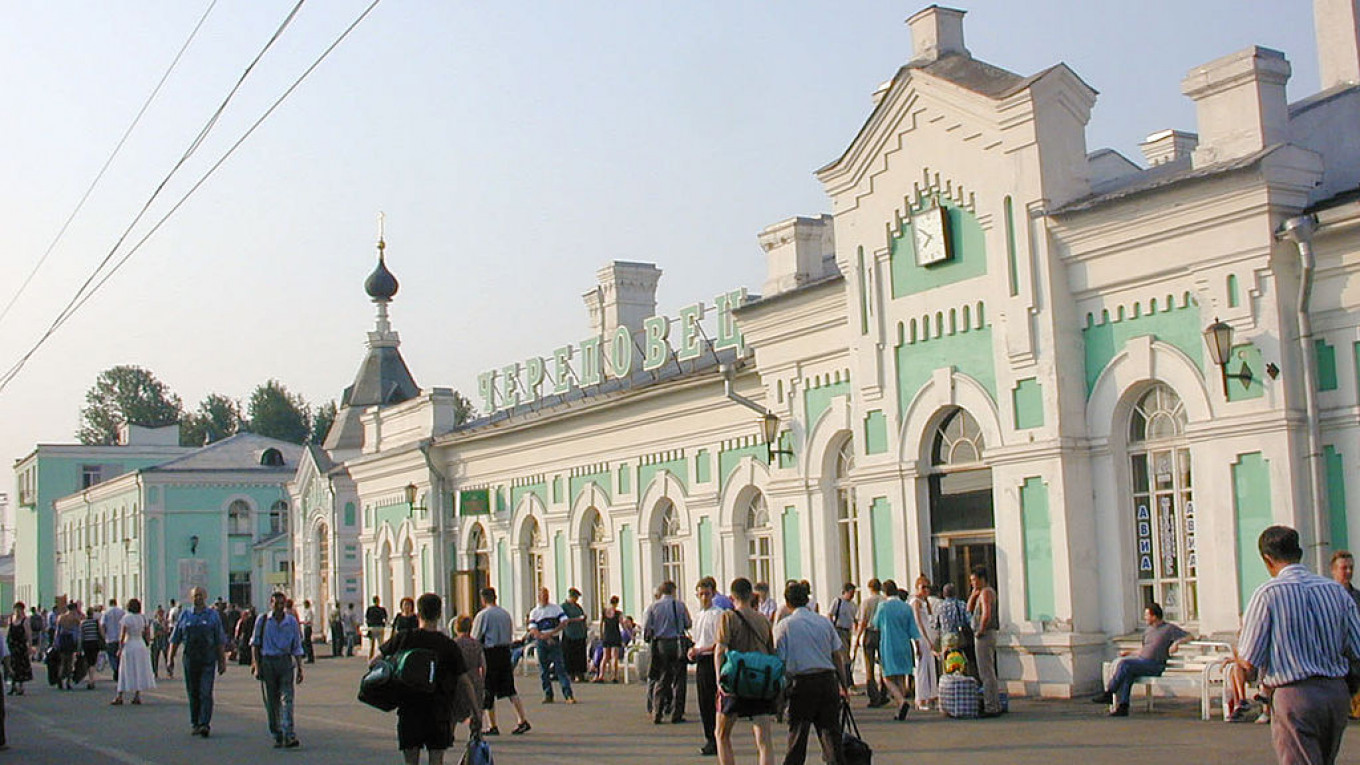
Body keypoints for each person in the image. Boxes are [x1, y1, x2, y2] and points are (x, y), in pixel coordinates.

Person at [1238, 525, 1360, 764]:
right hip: (1335, 694)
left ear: (1268, 559)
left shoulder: (1267, 594)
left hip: (1294, 694)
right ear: (1299, 553)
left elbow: (1249, 660)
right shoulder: (1335, 591)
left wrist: (1240, 669)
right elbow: (1357, 648)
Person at [378, 593, 481, 765]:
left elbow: (374, 661)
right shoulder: (448, 644)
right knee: (436, 760)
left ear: (418, 614)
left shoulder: (404, 638)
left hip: (409, 709)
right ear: (439, 615)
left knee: (411, 761)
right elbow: (464, 680)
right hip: (438, 711)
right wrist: (476, 712)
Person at [774, 580, 847, 765]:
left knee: (798, 736)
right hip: (827, 680)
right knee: (831, 735)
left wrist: (780, 695)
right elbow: (837, 655)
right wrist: (843, 684)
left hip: (801, 683)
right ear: (807, 600)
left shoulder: (785, 626)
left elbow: (780, 662)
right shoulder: (824, 622)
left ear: (788, 603)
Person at [714, 577, 775, 765]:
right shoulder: (763, 620)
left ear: (732, 597)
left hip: (734, 679)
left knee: (722, 734)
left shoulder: (728, 617)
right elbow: (771, 650)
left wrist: (719, 680)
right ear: (751, 595)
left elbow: (720, 650)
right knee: (764, 739)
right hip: (759, 680)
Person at [1092, 602, 1190, 716]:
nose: (1145, 618)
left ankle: (1109, 693)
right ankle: (1123, 706)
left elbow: (1190, 636)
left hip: (1155, 665)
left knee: (1125, 665)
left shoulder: (1169, 629)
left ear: (1154, 616)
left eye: (1147, 615)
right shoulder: (1148, 631)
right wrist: (1129, 653)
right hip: (1142, 662)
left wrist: (1177, 643)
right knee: (1128, 673)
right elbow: (1145, 649)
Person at [167, 586, 228, 737]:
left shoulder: (213, 616)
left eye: (200, 595)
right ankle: (195, 722)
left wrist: (222, 661)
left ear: (205, 596)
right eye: (195, 596)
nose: (198, 598)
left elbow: (219, 640)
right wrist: (170, 659)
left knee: (205, 692)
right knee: (193, 692)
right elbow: (175, 639)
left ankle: (204, 724)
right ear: (191, 598)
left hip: (208, 659)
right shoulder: (185, 615)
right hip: (190, 659)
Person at [471, 587, 531, 736]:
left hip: (490, 654)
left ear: (483, 599)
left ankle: (492, 725)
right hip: (505, 652)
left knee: (488, 689)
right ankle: (522, 719)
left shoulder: (483, 615)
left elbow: (476, 637)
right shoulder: (505, 614)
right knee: (510, 688)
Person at [251, 591, 305, 748]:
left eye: (282, 604)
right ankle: (276, 732)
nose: (279, 607)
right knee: (272, 700)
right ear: (271, 604)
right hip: (268, 662)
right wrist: (256, 666)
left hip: (285, 662)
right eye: (276, 603)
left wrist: (300, 668)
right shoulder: (263, 621)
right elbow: (255, 644)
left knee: (287, 698)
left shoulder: (291, 622)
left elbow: (297, 646)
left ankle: (289, 733)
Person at [643, 580, 692, 724]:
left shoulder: (653, 607)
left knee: (661, 678)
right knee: (679, 680)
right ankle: (677, 713)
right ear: (673, 590)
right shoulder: (680, 605)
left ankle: (657, 712)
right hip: (677, 643)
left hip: (660, 644)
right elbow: (688, 624)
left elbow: (647, 628)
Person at [871, 580, 919, 721]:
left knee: (887, 677)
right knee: (901, 676)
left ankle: (900, 700)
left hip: (889, 644)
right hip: (904, 643)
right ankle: (900, 708)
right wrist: (918, 645)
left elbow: (875, 624)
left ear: (885, 592)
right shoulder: (906, 607)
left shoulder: (883, 606)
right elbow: (913, 629)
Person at [691, 577, 723, 757]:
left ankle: (715, 738)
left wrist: (701, 648)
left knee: (713, 700)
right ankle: (709, 736)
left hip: (712, 659)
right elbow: (698, 639)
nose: (704, 597)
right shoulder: (699, 615)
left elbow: (718, 642)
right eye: (701, 594)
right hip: (701, 659)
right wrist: (693, 649)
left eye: (707, 594)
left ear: (713, 594)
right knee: (703, 701)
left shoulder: (717, 614)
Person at [527, 586, 576, 704]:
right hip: (541, 641)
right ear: (538, 597)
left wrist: (552, 633)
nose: (545, 598)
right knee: (544, 669)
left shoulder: (555, 609)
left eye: (546, 595)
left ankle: (568, 694)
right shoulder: (535, 612)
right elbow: (533, 629)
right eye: (542, 596)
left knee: (560, 668)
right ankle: (548, 694)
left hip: (554, 640)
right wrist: (544, 637)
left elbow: (564, 621)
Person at [1329, 550, 1360, 719]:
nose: (1348, 572)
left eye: (1351, 568)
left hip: (1354, 652)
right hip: (1333, 651)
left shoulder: (1358, 597)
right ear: (1333, 570)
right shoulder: (1325, 596)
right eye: (1344, 568)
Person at [967, 567, 1001, 716]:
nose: (973, 584)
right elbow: (969, 609)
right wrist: (973, 596)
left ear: (982, 579)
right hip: (986, 633)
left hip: (985, 634)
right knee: (987, 670)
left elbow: (986, 613)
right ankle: (993, 703)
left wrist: (981, 629)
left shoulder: (986, 592)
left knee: (986, 672)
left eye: (974, 580)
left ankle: (991, 705)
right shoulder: (981, 593)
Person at [111, 598, 155, 706]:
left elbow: (122, 635)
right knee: (139, 669)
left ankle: (120, 695)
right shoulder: (143, 618)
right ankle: (137, 695)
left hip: (130, 644)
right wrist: (147, 643)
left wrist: (120, 648)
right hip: (140, 644)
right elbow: (147, 634)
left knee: (125, 670)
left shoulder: (126, 618)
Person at [452, 615, 486, 739]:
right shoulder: (476, 644)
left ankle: (451, 733)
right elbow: (483, 664)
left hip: (458, 678)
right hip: (474, 677)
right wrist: (483, 679)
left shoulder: (454, 644)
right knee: (475, 706)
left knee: (455, 708)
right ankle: (475, 731)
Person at [909, 576, 939, 711]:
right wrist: (926, 639)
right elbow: (918, 623)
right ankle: (920, 698)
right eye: (923, 587)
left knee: (930, 666)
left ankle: (931, 695)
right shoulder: (915, 602)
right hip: (920, 637)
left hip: (927, 635)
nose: (926, 590)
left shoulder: (925, 602)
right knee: (921, 667)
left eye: (928, 587)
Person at [856, 579, 886, 708]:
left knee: (869, 666)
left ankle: (874, 696)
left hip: (869, 633)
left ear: (870, 588)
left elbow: (862, 621)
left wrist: (857, 637)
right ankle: (884, 692)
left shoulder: (866, 602)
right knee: (884, 664)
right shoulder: (884, 601)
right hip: (882, 633)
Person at [828, 583, 858, 692]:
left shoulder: (853, 605)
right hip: (839, 630)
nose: (852, 596)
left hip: (847, 631)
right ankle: (848, 682)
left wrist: (856, 632)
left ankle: (846, 680)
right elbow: (830, 614)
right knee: (844, 657)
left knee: (846, 656)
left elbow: (855, 619)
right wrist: (831, 627)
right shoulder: (838, 602)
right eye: (851, 593)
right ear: (845, 592)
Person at [561, 588, 589, 683]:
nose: (576, 599)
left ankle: (580, 673)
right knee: (570, 655)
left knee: (580, 655)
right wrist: (577, 619)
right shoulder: (564, 607)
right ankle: (571, 674)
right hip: (570, 634)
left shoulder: (578, 607)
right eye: (575, 597)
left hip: (580, 634)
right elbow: (565, 620)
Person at [595, 595, 624, 683]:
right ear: (617, 603)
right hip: (615, 634)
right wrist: (630, 633)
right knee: (614, 656)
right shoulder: (618, 613)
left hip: (606, 635)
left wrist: (601, 634)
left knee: (605, 657)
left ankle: (601, 675)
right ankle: (614, 676)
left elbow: (601, 624)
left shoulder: (604, 612)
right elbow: (622, 624)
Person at [7, 602, 31, 695]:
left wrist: (29, 646)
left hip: (21, 647)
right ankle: (13, 686)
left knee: (21, 667)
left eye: (19, 609)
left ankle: (21, 687)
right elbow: (9, 633)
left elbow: (28, 634)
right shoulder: (11, 620)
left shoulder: (24, 621)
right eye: (16, 609)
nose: (17, 611)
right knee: (12, 666)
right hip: (12, 646)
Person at [79, 604, 103, 690]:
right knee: (93, 662)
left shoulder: (83, 623)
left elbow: (81, 635)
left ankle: (90, 679)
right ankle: (91, 680)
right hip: (94, 643)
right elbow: (101, 633)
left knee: (89, 661)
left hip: (86, 643)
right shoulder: (95, 622)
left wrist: (79, 646)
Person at [102, 598, 125, 682]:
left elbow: (103, 625)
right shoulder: (122, 612)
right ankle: (119, 668)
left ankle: (115, 669)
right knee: (119, 655)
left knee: (111, 656)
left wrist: (104, 635)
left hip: (110, 637)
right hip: (120, 637)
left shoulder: (106, 613)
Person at [365, 596, 389, 660]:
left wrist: (368, 626)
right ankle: (382, 657)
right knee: (381, 644)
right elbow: (385, 618)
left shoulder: (370, 609)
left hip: (372, 627)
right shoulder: (382, 609)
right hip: (380, 627)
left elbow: (367, 618)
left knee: (371, 645)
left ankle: (370, 658)